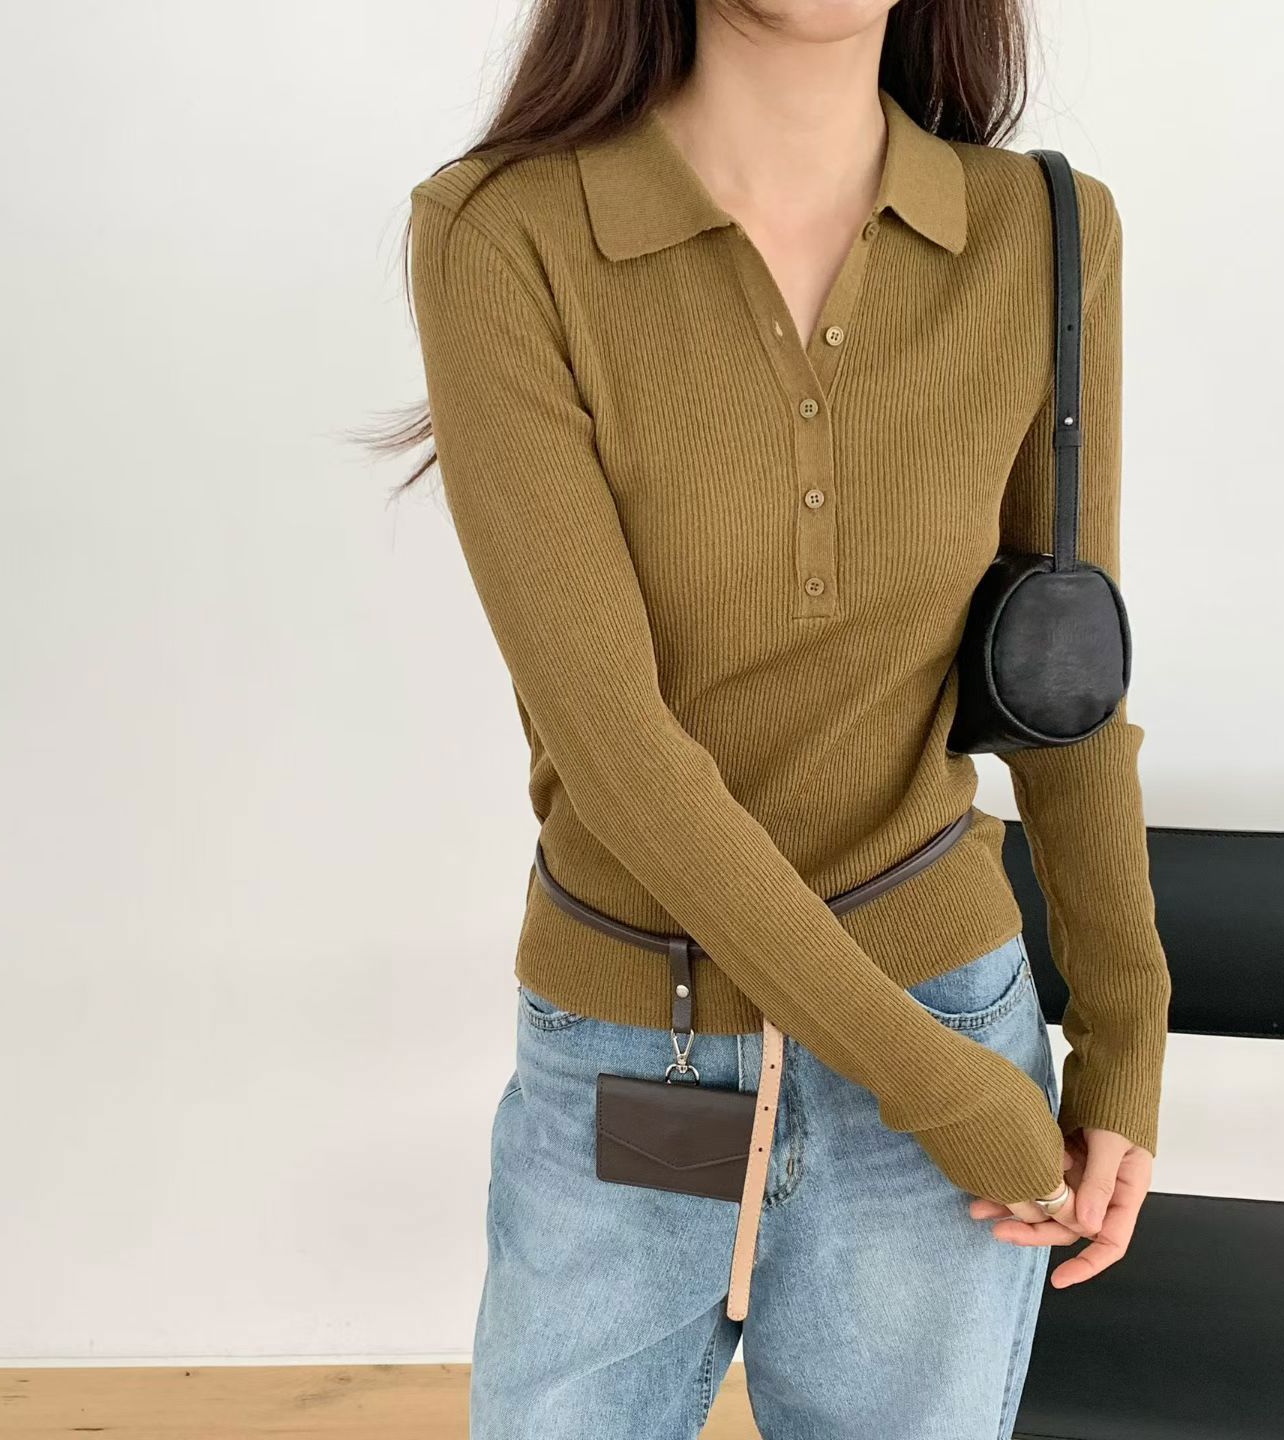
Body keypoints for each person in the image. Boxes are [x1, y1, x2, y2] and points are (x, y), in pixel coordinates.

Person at [387, 1, 1172, 1434]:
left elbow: (1063, 688)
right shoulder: (504, 233)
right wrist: (944, 1091)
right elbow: (618, 749)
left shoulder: (1042, 234)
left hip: (946, 1015)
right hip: (643, 1036)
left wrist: (1126, 1040)